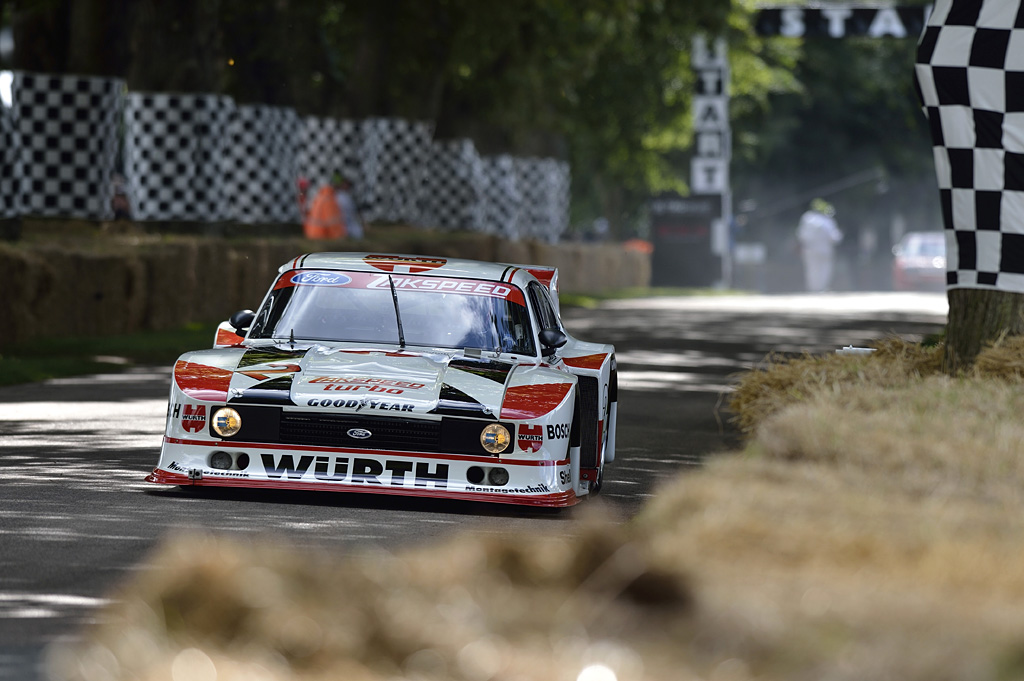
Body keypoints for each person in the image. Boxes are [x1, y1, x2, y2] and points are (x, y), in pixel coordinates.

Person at [796, 198, 842, 292]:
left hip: (810, 249)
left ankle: (813, 289)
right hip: (825, 250)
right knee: (825, 269)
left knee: (812, 269)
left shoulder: (807, 218)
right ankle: (822, 288)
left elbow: (801, 235)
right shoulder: (828, 220)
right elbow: (835, 238)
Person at [303, 175, 345, 240]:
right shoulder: (329, 199)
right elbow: (331, 220)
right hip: (320, 235)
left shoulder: (319, 197)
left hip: (312, 233)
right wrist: (338, 235)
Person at [334, 175, 364, 240]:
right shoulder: (339, 196)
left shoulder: (347, 196)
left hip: (349, 222)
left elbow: (353, 211)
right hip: (341, 223)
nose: (347, 186)